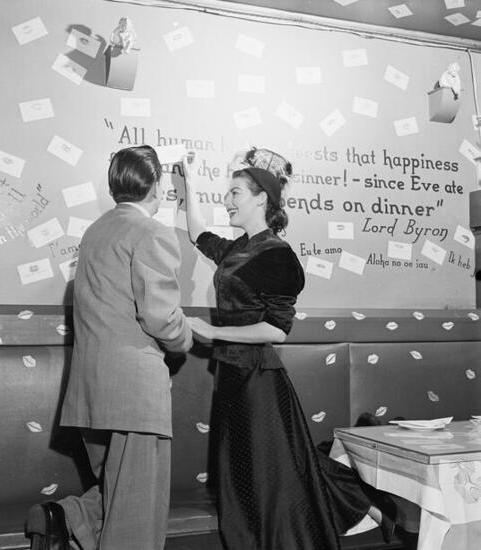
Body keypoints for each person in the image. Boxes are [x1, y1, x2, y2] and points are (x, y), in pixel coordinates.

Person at [181, 147, 395, 550]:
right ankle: (365, 508)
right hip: (232, 376)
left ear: (261, 199)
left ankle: (364, 508)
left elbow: (276, 331)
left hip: (258, 381)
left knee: (277, 474)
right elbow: (197, 234)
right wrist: (189, 181)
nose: (226, 201)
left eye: (235, 193)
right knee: (272, 470)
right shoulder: (237, 249)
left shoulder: (277, 255)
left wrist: (214, 331)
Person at [26, 145, 193, 550]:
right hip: (135, 395)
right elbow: (160, 318)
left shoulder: (95, 231)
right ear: (156, 186)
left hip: (91, 394)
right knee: (137, 516)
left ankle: (63, 517)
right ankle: (67, 518)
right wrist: (186, 335)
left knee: (117, 493)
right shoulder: (152, 232)